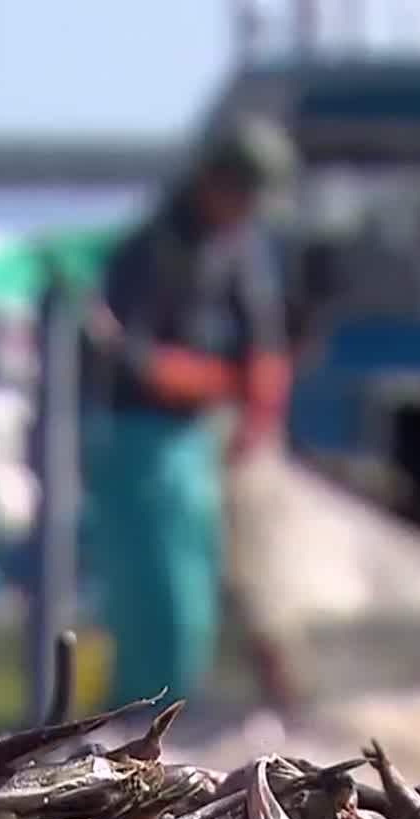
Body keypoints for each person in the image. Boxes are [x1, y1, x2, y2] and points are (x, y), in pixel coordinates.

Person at [81, 116, 298, 708]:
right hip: (139, 440)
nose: (246, 210)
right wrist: (213, 382)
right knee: (151, 593)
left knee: (196, 592)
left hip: (197, 442)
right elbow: (130, 354)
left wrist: (258, 400)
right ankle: (139, 719)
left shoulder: (239, 248)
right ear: (212, 182)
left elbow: (263, 339)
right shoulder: (151, 249)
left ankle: (185, 708)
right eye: (240, 195)